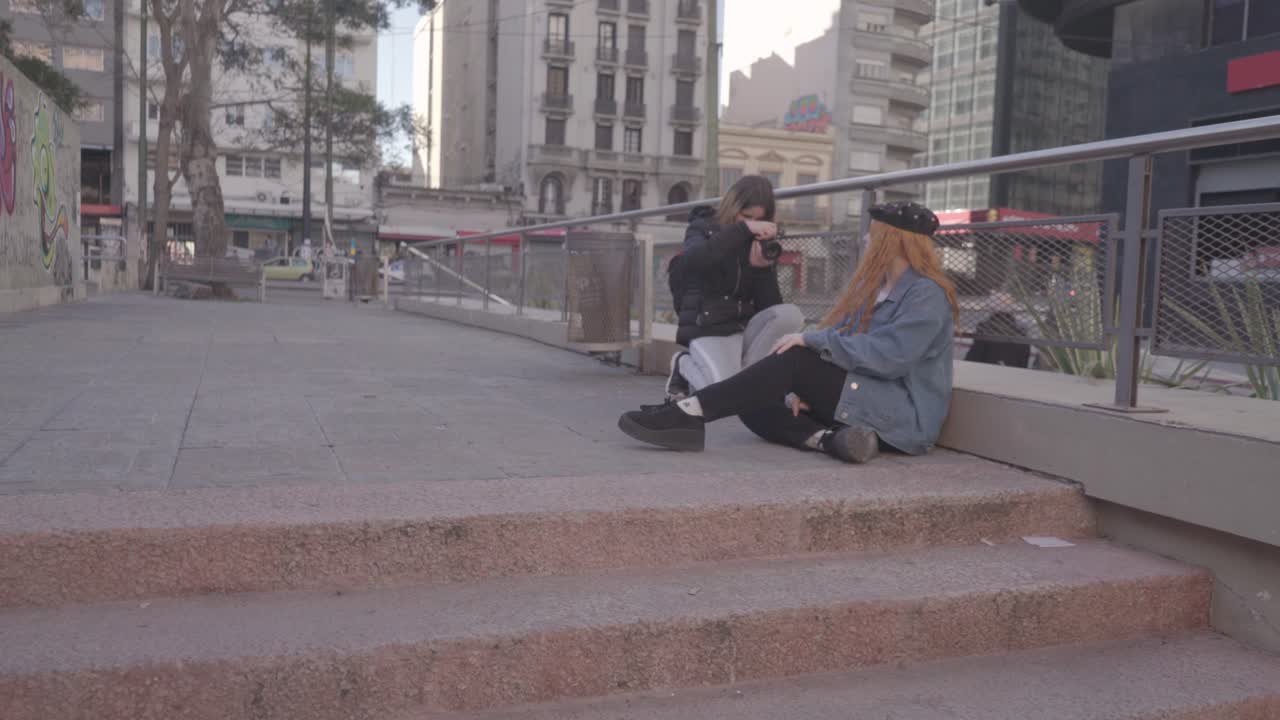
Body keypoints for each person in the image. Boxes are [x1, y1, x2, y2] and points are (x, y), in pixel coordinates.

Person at [619, 201, 959, 464]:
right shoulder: (877, 291)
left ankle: (689, 413)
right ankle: (828, 439)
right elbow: (848, 345)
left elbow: (888, 357)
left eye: (875, 233)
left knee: (795, 358)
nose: (867, 239)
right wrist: (799, 390)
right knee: (753, 399)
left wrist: (811, 341)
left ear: (894, 242)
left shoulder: (926, 294)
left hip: (900, 417)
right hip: (864, 400)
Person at [662, 175, 805, 401]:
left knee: (790, 314)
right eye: (746, 217)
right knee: (723, 394)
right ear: (732, 208)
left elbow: (769, 307)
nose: (752, 224)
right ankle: (683, 364)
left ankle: (743, 381)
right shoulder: (704, 228)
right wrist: (743, 230)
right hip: (708, 326)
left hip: (741, 330)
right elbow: (694, 261)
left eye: (759, 219)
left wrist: (762, 269)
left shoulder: (760, 244)